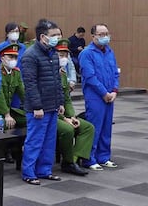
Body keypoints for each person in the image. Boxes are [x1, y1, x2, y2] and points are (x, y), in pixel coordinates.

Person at [19, 18, 64, 185]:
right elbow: (30, 84)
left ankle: (44, 170)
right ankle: (28, 172)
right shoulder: (30, 56)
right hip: (38, 108)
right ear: (43, 36)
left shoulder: (53, 53)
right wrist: (37, 106)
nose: (57, 38)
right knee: (35, 140)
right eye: (54, 35)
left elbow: (57, 81)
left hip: (52, 105)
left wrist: (60, 102)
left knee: (49, 141)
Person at [79, 23, 119, 171]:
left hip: (109, 95)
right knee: (94, 128)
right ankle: (89, 158)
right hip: (95, 96)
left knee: (106, 128)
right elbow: (90, 77)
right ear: (93, 36)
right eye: (101, 34)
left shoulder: (109, 52)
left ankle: (104, 157)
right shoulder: (87, 53)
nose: (105, 37)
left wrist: (114, 90)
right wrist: (104, 93)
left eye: (106, 33)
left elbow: (115, 72)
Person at [55, 39, 94, 176]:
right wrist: (63, 119)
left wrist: (71, 116)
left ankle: (73, 160)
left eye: (66, 55)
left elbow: (67, 99)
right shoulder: (48, 74)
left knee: (88, 127)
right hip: (50, 115)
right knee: (68, 129)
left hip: (64, 114)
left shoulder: (63, 74)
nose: (64, 58)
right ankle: (68, 161)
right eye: (60, 55)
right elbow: (46, 101)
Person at [0, 44, 27, 129]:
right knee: (5, 125)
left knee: (31, 120)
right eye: (10, 57)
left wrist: (34, 108)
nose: (13, 60)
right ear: (2, 58)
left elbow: (23, 93)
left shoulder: (16, 73)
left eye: (15, 57)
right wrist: (7, 114)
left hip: (9, 110)